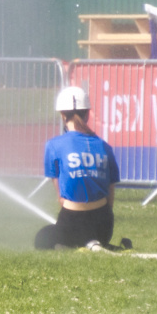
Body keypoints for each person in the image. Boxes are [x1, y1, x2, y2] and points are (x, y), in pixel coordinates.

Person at [34, 86, 131, 252]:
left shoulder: (53, 145)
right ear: (87, 114)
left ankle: (71, 245)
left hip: (71, 220)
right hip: (103, 224)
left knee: (42, 238)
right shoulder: (104, 146)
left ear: (63, 115)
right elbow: (111, 192)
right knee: (87, 232)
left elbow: (61, 198)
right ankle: (94, 243)